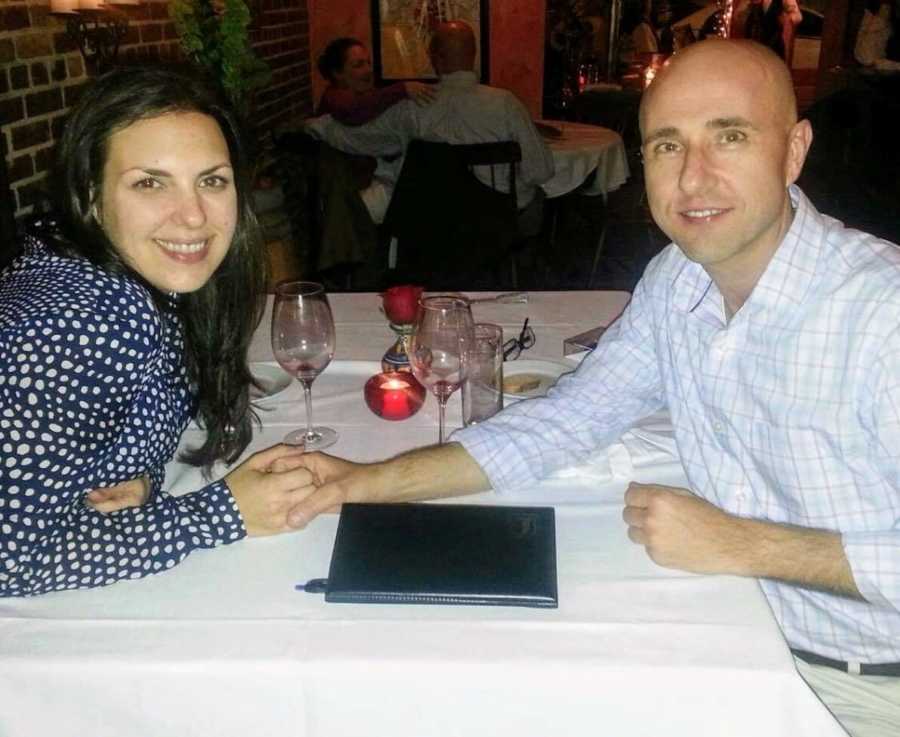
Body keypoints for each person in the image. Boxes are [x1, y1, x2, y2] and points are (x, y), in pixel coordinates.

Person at [287, 40, 900, 736]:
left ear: (793, 151)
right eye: (668, 146)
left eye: (729, 136)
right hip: (737, 637)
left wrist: (743, 543)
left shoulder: (883, 313)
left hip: (869, 686)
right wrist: (356, 483)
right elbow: (567, 419)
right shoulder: (677, 281)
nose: (694, 179)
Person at [0, 66, 314, 597]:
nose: (193, 217)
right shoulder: (79, 322)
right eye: (150, 182)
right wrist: (223, 513)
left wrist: (130, 470)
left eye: (211, 180)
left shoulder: (135, 278)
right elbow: (10, 561)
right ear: (92, 197)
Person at [306, 20, 554, 242]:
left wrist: (315, 126)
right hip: (495, 223)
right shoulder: (506, 103)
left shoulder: (412, 107)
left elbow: (356, 138)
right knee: (536, 198)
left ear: (435, 58)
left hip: (430, 221)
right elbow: (541, 170)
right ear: (474, 55)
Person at [316, 37, 436, 126]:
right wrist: (402, 89)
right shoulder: (334, 97)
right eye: (358, 65)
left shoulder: (368, 94)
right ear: (337, 73)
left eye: (369, 63)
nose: (369, 70)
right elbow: (354, 110)